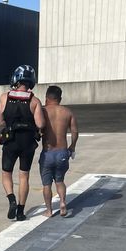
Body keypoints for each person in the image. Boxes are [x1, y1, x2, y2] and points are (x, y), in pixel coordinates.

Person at [0, 65, 45, 221]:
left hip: (10, 139)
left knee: (6, 173)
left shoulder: (5, 97)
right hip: (27, 142)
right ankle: (20, 210)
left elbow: (1, 121)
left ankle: (11, 199)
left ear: (16, 79)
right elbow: (40, 124)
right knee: (24, 175)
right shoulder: (34, 100)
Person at [39, 85, 79, 217]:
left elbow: (37, 128)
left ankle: (49, 210)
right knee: (59, 181)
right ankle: (62, 203)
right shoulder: (67, 112)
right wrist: (72, 146)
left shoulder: (43, 111)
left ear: (46, 98)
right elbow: (74, 131)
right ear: (60, 98)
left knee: (46, 184)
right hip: (62, 152)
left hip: (48, 152)